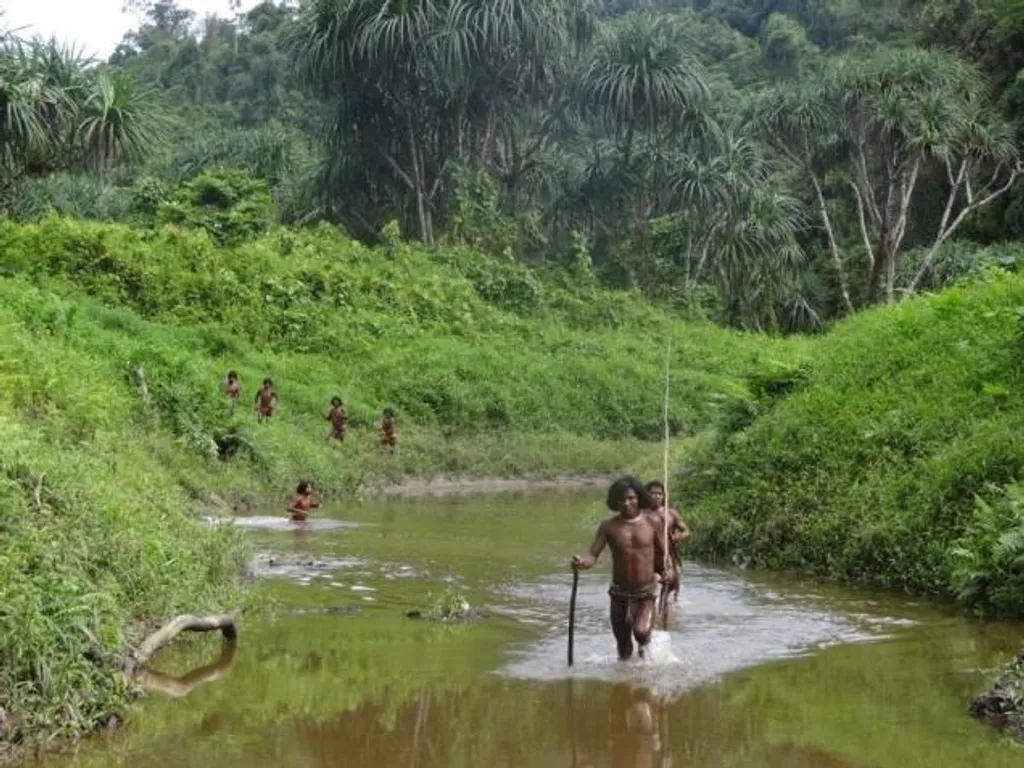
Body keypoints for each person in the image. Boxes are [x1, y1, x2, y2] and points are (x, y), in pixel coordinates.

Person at [571, 477, 666, 660]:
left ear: (639, 498)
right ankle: (625, 680)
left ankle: (646, 667)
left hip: (645, 592)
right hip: (619, 593)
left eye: (631, 498)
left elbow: (662, 554)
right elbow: (592, 556)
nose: (627, 503)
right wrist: (581, 562)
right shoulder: (608, 527)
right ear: (615, 502)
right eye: (621, 499)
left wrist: (665, 572)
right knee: (623, 646)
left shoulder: (653, 523)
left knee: (641, 632)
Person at [645, 480, 692, 602]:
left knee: (672, 592)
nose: (656, 496)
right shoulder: (641, 515)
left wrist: (677, 537)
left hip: (668, 558)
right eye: (653, 493)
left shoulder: (670, 513)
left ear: (664, 496)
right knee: (648, 593)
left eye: (659, 494)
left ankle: (670, 616)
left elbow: (687, 532)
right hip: (647, 559)